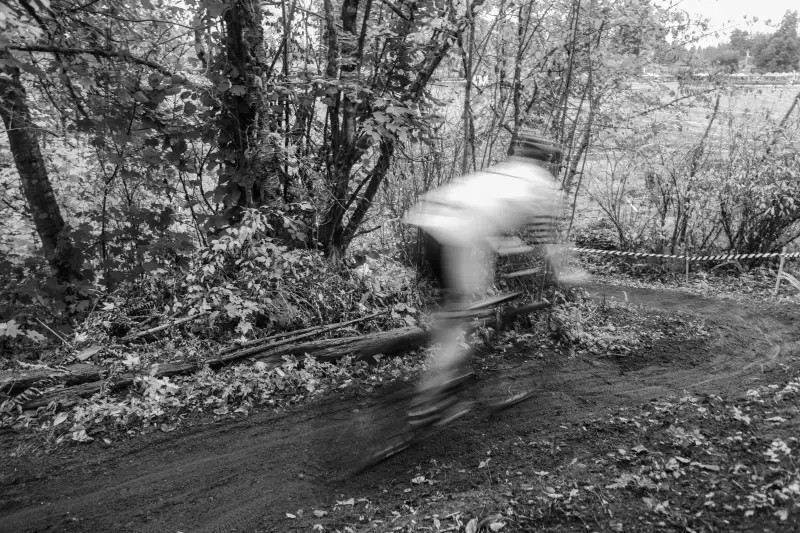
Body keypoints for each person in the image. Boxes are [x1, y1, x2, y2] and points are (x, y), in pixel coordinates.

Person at [402, 130, 586, 427]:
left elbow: (485, 212)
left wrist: (502, 243)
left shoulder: (504, 170)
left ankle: (447, 365)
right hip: (456, 235)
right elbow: (548, 240)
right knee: (459, 313)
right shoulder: (543, 186)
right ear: (548, 162)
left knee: (461, 300)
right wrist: (565, 272)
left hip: (431, 221)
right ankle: (429, 400)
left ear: (521, 153)